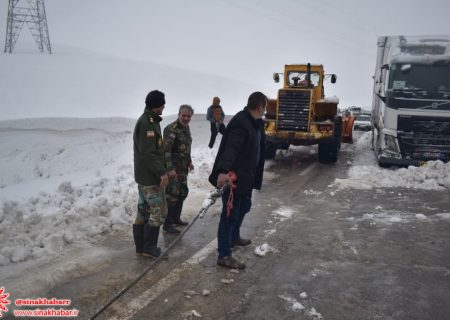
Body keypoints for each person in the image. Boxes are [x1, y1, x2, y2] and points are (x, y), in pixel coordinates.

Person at [208, 91, 267, 269]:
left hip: (247, 176)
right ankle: (224, 255)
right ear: (259, 107)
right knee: (229, 215)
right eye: (265, 107)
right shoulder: (241, 123)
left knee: (245, 207)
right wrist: (223, 172)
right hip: (234, 179)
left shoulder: (255, 123)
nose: (265, 110)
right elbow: (231, 149)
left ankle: (234, 237)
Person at [132, 90, 169, 258]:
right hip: (149, 177)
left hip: (144, 176)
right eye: (162, 103)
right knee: (157, 211)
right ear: (156, 105)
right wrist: (162, 173)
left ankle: (141, 247)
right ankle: (149, 247)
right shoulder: (147, 123)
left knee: (144, 211)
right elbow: (148, 153)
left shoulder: (150, 120)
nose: (164, 106)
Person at [162, 104, 194, 234]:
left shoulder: (186, 128)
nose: (186, 118)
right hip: (173, 170)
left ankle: (176, 218)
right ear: (179, 114)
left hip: (182, 169)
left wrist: (190, 162)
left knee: (181, 193)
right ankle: (167, 224)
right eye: (184, 115)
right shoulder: (171, 129)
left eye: (188, 116)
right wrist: (170, 169)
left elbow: (186, 148)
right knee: (172, 196)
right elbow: (166, 151)